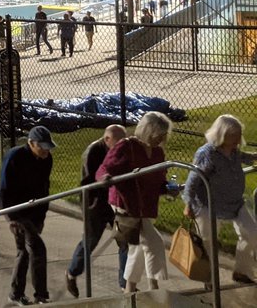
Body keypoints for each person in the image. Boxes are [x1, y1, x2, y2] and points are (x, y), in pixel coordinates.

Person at [97, 111, 172, 293]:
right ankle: (151, 285)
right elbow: (104, 168)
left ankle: (132, 287)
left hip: (145, 204)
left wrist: (168, 187)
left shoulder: (157, 152)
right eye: (158, 135)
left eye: (163, 136)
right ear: (147, 131)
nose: (161, 139)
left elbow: (160, 178)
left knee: (138, 247)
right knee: (153, 242)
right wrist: (105, 177)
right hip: (126, 203)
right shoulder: (126, 146)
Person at [183, 114, 257, 285]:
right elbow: (193, 179)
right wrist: (188, 203)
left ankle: (241, 271)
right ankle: (209, 281)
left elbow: (244, 157)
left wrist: (254, 156)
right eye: (235, 135)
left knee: (252, 233)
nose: (239, 139)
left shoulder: (233, 151)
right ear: (223, 134)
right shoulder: (207, 153)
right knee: (209, 245)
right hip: (209, 205)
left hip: (235, 204)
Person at [66, 124, 129, 297]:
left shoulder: (123, 149)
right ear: (107, 139)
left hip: (115, 202)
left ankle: (125, 283)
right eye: (118, 143)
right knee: (90, 241)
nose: (120, 146)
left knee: (125, 241)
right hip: (95, 203)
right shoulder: (93, 151)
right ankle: (72, 272)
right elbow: (88, 182)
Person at [0, 125, 56, 305]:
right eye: (43, 146)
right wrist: (11, 219)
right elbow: (4, 190)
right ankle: (41, 295)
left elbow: (44, 189)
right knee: (38, 249)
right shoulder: (15, 157)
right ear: (31, 143)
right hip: (15, 209)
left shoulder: (46, 159)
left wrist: (41, 218)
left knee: (24, 251)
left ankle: (15, 293)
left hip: (34, 211)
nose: (46, 151)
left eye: (48, 147)